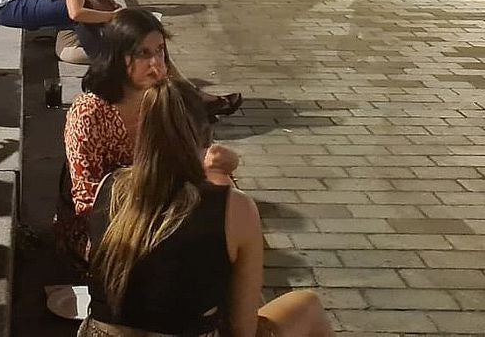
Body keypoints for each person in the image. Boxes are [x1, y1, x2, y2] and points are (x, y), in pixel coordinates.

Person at [85, 75, 334, 337]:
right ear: (208, 137)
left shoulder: (110, 187)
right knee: (307, 306)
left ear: (140, 134)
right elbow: (242, 329)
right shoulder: (234, 208)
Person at [58, 10, 241, 261]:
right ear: (118, 57)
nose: (156, 64)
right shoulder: (90, 112)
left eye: (160, 51)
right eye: (143, 53)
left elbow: (189, 162)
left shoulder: (168, 99)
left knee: (226, 192)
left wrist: (212, 161)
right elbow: (87, 199)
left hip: (165, 205)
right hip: (111, 221)